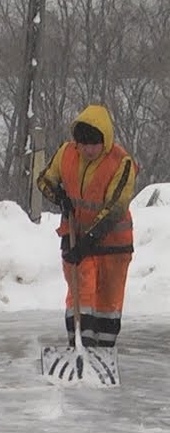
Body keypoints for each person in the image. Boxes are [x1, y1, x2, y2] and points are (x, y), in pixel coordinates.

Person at [36, 104, 138, 348]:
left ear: (105, 140)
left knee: (107, 302)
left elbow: (115, 207)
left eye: (94, 144)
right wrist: (59, 196)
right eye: (83, 144)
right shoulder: (66, 153)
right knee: (80, 296)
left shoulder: (121, 162)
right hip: (75, 237)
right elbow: (44, 180)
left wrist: (89, 241)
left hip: (113, 245)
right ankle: (79, 346)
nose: (89, 149)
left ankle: (104, 350)